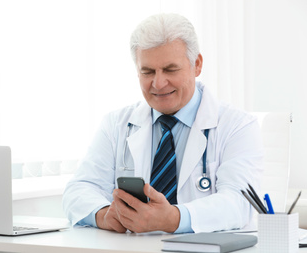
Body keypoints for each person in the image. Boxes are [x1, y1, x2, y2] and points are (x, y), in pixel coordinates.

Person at [62, 13, 264, 234]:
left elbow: (239, 202)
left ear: (196, 65)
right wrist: (103, 215)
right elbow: (78, 189)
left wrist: (173, 219)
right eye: (147, 72)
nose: (158, 83)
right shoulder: (116, 124)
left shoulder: (238, 125)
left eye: (170, 69)